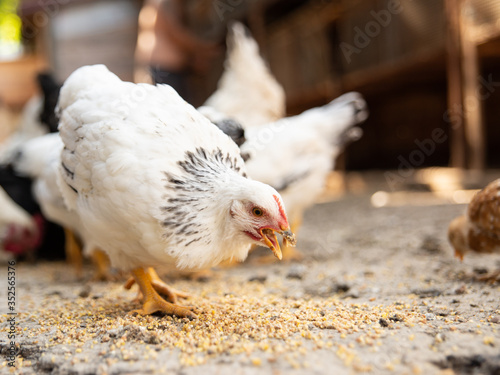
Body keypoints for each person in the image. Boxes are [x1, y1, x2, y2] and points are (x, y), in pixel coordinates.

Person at [135, 0, 219, 103]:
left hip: (158, 67)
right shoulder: (164, 2)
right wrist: (203, 48)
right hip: (165, 69)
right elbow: (174, 32)